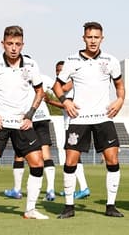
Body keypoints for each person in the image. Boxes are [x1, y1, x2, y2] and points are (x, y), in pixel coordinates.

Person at [0, 25, 49, 222]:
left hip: (21, 123)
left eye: (17, 44)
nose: (13, 48)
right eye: (9, 44)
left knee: (38, 163)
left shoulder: (31, 65)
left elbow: (40, 91)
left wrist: (30, 114)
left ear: (22, 44)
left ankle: (30, 209)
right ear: (3, 44)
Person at [53, 21, 125, 218]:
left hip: (104, 118)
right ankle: (69, 206)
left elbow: (119, 85)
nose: (93, 41)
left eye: (96, 37)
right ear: (84, 38)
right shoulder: (71, 60)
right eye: (89, 37)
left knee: (112, 160)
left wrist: (120, 100)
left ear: (102, 38)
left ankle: (110, 205)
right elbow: (57, 86)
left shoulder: (111, 60)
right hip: (79, 119)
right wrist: (65, 102)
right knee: (70, 161)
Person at [4, 71, 57, 202]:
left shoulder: (16, 78)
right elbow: (59, 87)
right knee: (46, 153)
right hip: (43, 116)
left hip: (26, 118)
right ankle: (50, 190)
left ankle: (17, 190)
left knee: (19, 153)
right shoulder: (43, 77)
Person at [51, 61, 90, 199]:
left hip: (74, 124)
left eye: (60, 70)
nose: (58, 72)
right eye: (57, 70)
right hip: (69, 123)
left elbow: (68, 104)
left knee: (72, 158)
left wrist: (49, 101)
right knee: (74, 158)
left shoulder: (72, 83)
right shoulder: (64, 86)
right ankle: (79, 188)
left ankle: (83, 187)